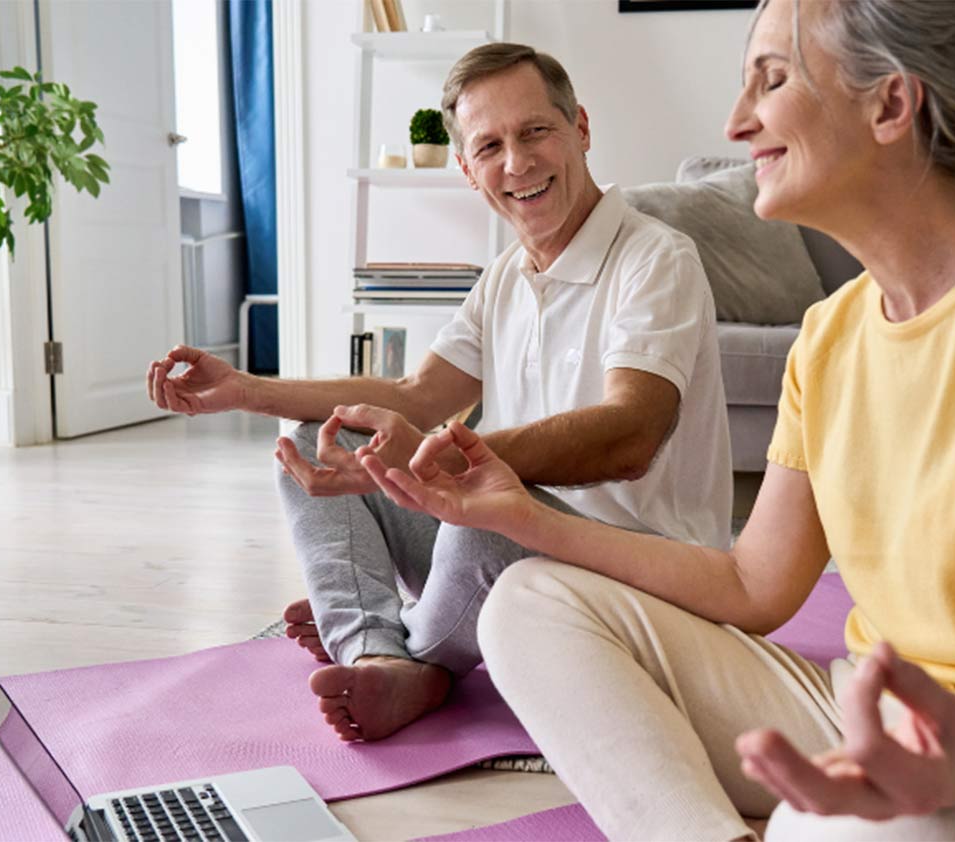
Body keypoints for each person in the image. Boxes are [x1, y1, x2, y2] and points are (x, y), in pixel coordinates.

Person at [354, 0, 955, 838]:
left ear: (891, 100)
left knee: (830, 824)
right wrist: (521, 517)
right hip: (872, 718)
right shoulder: (830, 333)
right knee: (525, 601)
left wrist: (949, 768)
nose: (736, 122)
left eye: (770, 79)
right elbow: (753, 587)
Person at [145, 43, 732, 742]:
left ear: (579, 127)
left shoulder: (655, 257)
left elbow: (631, 435)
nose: (516, 163)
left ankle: (411, 653)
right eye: (489, 145)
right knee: (311, 444)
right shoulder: (506, 276)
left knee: (480, 520)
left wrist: (443, 463)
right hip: (510, 539)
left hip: (642, 573)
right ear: (465, 168)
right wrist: (246, 390)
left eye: (536, 131)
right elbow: (414, 393)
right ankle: (374, 649)